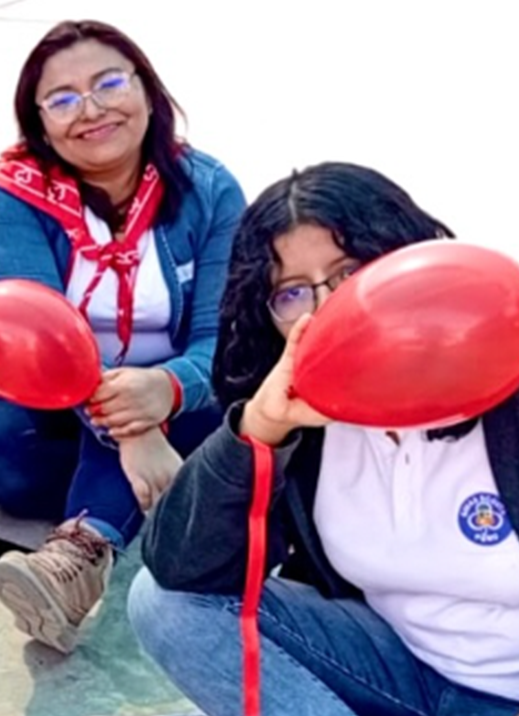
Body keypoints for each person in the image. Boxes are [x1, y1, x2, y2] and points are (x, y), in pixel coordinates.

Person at [132, 163, 518, 716]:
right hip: (401, 669)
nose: (327, 307)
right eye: (291, 292)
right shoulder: (307, 423)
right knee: (163, 603)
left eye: (351, 271)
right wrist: (258, 431)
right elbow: (181, 566)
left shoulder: (502, 387)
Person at [0, 19, 244, 653]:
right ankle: (164, 493)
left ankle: (80, 553)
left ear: (146, 90)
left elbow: (223, 339)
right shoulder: (14, 196)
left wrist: (165, 390)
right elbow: (38, 340)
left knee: (219, 420)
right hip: (59, 395)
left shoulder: (209, 190)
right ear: (39, 122)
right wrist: (132, 430)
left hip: (185, 396)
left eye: (109, 84)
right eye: (62, 99)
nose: (90, 109)